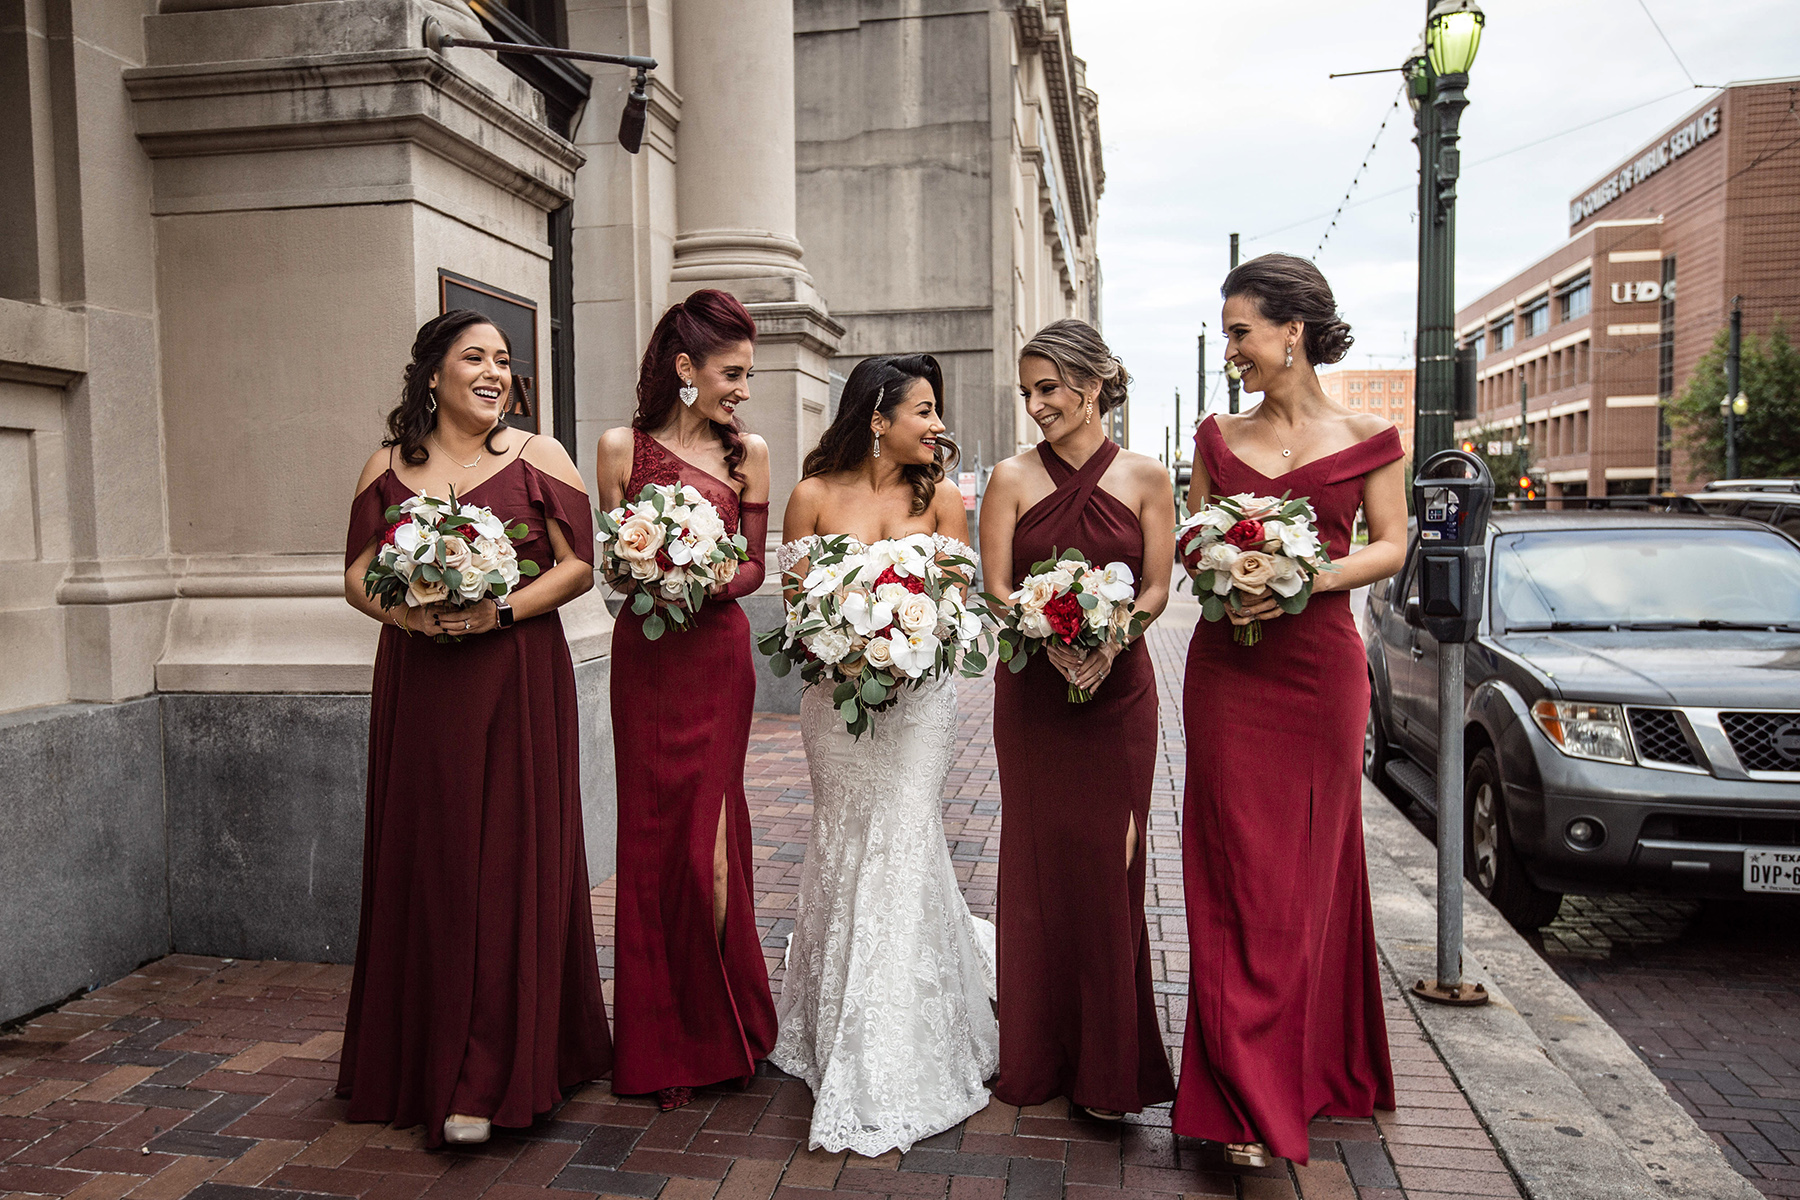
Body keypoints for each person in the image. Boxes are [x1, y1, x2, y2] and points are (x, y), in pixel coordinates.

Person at [339, 309, 612, 1148]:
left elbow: (577, 565)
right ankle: (421, 1055)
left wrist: (497, 609)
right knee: (434, 859)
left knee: (505, 863)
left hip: (516, 678)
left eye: (503, 360)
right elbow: (353, 574)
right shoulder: (386, 467)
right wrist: (409, 614)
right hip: (421, 683)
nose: (495, 372)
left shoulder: (541, 457)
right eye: (475, 358)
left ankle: (493, 1072)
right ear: (432, 374)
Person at [1173, 254, 1405, 1167]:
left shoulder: (1371, 434)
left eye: (1240, 332)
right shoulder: (1215, 438)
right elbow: (1196, 546)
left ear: (1291, 333)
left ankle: (1306, 1067)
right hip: (1230, 670)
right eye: (1228, 334)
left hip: (1320, 673)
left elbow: (1390, 545)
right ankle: (1239, 1094)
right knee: (1235, 873)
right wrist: (1230, 570)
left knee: (1308, 873)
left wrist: (1309, 575)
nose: (1232, 350)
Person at [771, 353, 998, 1156]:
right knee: (843, 842)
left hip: (918, 709)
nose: (938, 426)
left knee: (903, 838)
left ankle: (897, 1050)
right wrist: (851, 644)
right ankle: (833, 1020)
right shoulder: (812, 496)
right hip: (837, 705)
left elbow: (959, 608)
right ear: (877, 416)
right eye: (924, 410)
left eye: (937, 413)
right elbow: (799, 612)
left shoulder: (943, 501)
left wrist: (905, 638)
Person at [979, 320, 1177, 1122]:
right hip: (1034, 694)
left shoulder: (1147, 477)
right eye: (1028, 392)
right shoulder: (1009, 478)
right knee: (1036, 867)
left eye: (1048, 389)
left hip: (1119, 693)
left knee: (1110, 863)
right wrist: (1046, 638)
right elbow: (996, 587)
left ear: (1093, 386)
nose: (1035, 406)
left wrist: (1112, 638)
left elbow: (1159, 587)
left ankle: (1107, 1069)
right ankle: (1038, 1054)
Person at [594, 289, 778, 1113]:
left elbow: (754, 568)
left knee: (707, 840)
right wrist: (647, 570)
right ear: (684, 369)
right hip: (646, 660)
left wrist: (699, 575)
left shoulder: (751, 454)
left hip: (715, 657)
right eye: (732, 372)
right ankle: (658, 1041)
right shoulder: (617, 450)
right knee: (649, 838)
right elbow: (611, 568)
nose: (744, 388)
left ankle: (723, 1025)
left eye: (748, 373)